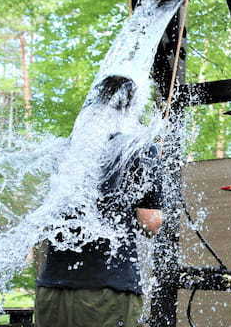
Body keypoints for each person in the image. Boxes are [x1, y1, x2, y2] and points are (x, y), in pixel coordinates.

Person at [34, 76, 164, 327]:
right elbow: (150, 223)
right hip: (106, 292)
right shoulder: (138, 150)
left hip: (51, 290)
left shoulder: (66, 149)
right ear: (131, 108)